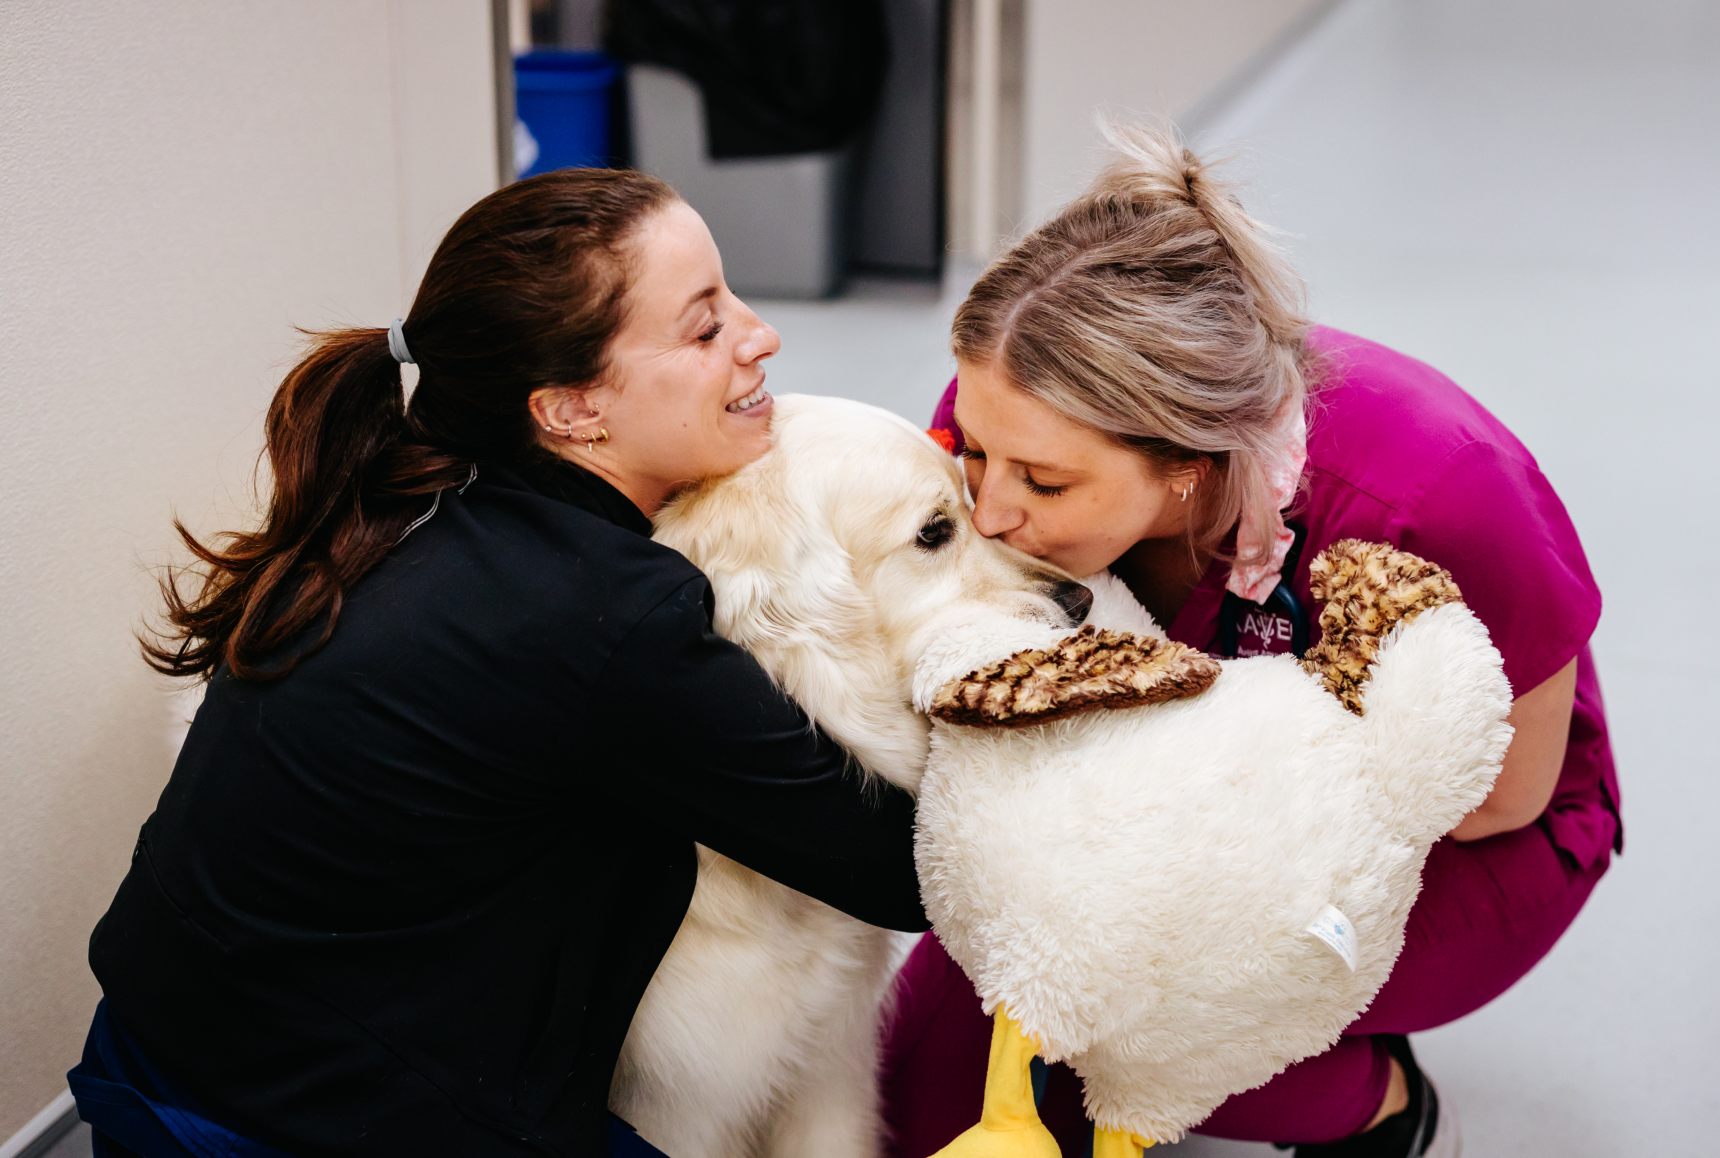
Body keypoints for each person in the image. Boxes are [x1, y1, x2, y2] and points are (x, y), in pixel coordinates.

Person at [69, 167, 927, 1157]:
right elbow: (897, 868)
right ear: (568, 410)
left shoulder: (403, 498)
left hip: (159, 1048)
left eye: (730, 296)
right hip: (307, 1120)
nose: (759, 333)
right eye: (702, 327)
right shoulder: (601, 612)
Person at [882, 127, 1620, 1158]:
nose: (990, 511)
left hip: (1462, 840)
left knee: (1149, 1027)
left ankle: (1383, 1108)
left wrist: (1179, 888)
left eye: (1044, 484)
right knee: (909, 1105)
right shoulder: (1010, 427)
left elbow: (1504, 797)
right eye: (973, 450)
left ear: (1188, 465)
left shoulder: (1438, 489)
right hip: (1157, 800)